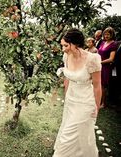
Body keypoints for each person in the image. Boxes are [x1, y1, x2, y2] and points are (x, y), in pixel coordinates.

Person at [53, 28, 102, 157]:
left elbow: (97, 86)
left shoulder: (92, 59)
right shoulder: (66, 56)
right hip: (71, 100)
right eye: (62, 45)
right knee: (77, 134)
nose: (63, 49)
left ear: (75, 44)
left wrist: (96, 108)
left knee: (69, 136)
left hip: (85, 102)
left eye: (65, 45)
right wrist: (66, 96)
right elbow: (67, 79)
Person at [98, 27, 118, 108]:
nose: (106, 36)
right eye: (105, 34)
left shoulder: (114, 44)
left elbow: (111, 59)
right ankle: (98, 100)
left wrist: (99, 62)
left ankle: (103, 103)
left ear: (112, 34)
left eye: (108, 34)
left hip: (105, 67)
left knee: (103, 85)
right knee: (98, 84)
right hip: (99, 66)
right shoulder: (103, 42)